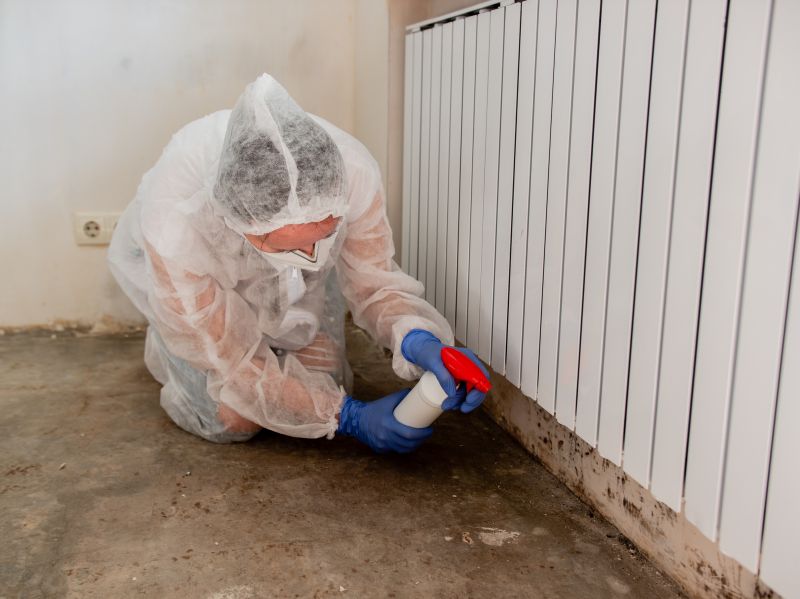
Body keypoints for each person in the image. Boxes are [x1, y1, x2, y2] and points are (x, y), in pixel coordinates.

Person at [108, 74, 489, 453]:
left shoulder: (349, 175)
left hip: (271, 261)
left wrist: (416, 338)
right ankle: (169, 338)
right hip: (190, 284)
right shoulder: (177, 221)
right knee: (235, 418)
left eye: (325, 236)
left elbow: (374, 282)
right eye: (291, 246)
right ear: (243, 225)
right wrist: (345, 416)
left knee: (325, 379)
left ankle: (273, 330)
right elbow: (230, 364)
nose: (312, 257)